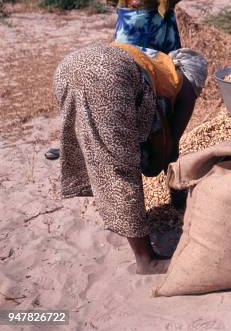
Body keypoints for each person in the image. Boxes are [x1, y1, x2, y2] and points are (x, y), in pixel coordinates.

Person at [53, 43, 207, 274]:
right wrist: (179, 200)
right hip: (107, 74)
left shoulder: (157, 62)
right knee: (120, 166)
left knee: (97, 151)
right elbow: (170, 145)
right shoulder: (185, 87)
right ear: (196, 78)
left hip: (70, 65)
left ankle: (119, 218)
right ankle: (147, 260)